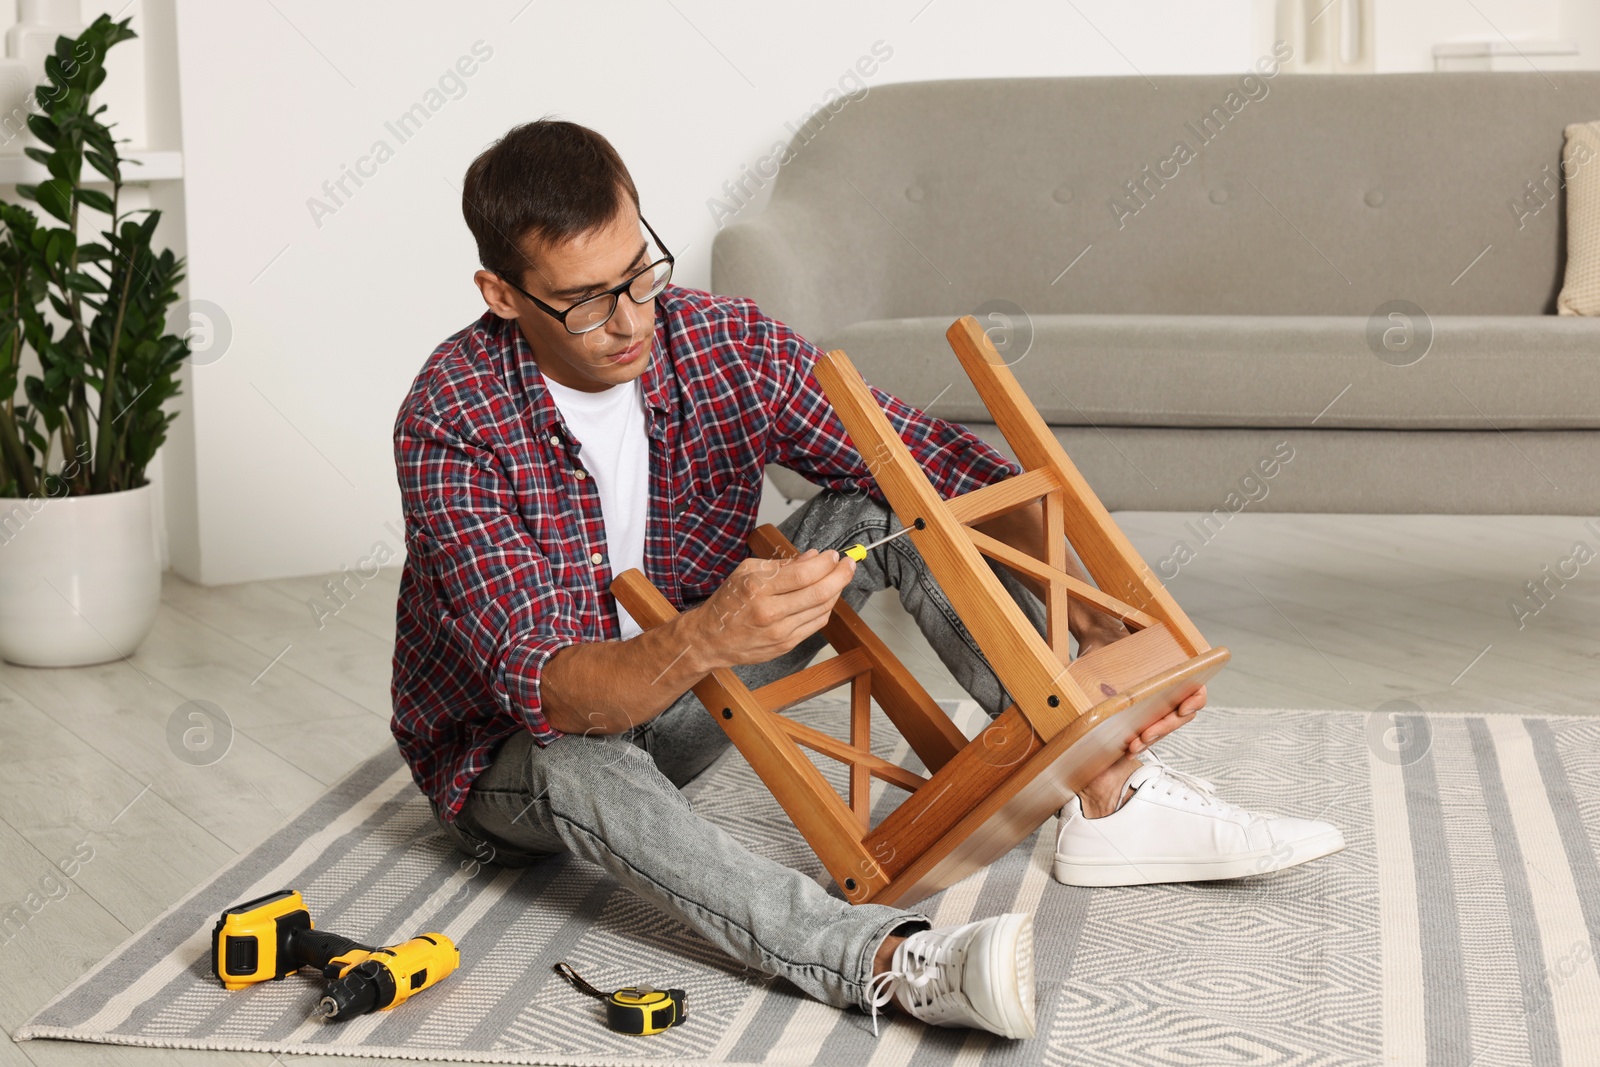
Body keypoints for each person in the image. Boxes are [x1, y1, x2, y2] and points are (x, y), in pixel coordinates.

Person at [390, 119, 1344, 1041]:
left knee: (882, 508)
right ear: (503, 293)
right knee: (579, 762)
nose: (632, 318)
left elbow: (926, 464)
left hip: (692, 692)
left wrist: (1101, 619)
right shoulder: (450, 421)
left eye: (641, 270)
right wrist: (705, 636)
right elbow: (557, 693)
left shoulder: (721, 342)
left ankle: (1108, 793)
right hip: (518, 759)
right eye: (587, 299)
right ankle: (887, 963)